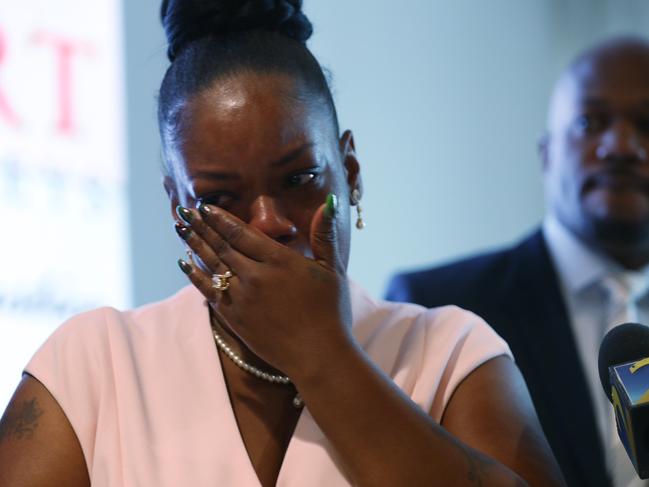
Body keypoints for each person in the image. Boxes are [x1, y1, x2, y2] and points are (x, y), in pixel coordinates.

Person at [0, 1, 564, 486]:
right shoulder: (95, 364)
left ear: (350, 170)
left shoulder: (449, 353)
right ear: (178, 206)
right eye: (221, 197)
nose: (268, 223)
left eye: (299, 179)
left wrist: (321, 354)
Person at [385, 36, 649, 487]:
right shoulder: (437, 307)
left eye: (647, 124)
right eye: (591, 121)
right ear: (546, 154)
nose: (620, 146)